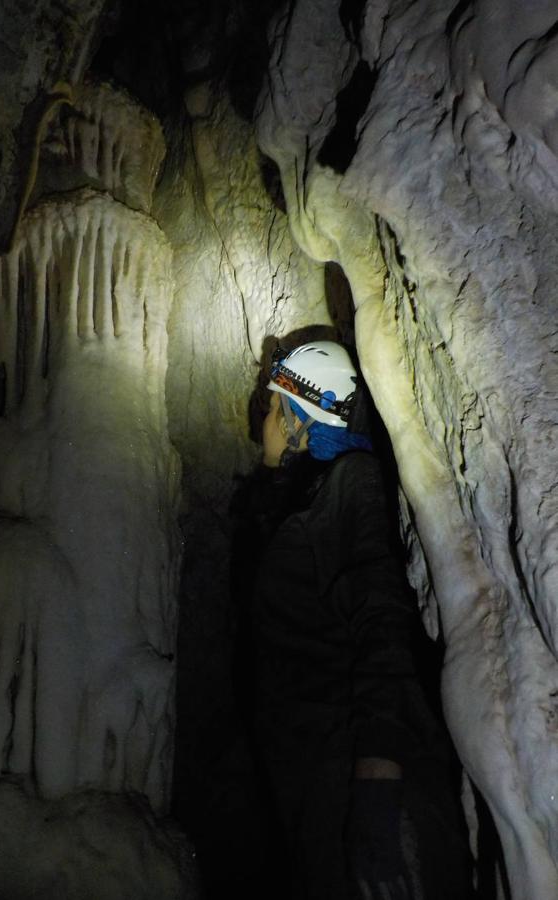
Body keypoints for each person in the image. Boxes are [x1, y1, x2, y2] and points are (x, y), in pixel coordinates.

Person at [236, 339, 472, 900]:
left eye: (272, 408)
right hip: (319, 783)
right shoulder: (317, 497)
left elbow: (382, 615)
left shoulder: (352, 483)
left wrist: (378, 769)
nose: (262, 424)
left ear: (298, 418)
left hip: (359, 780)